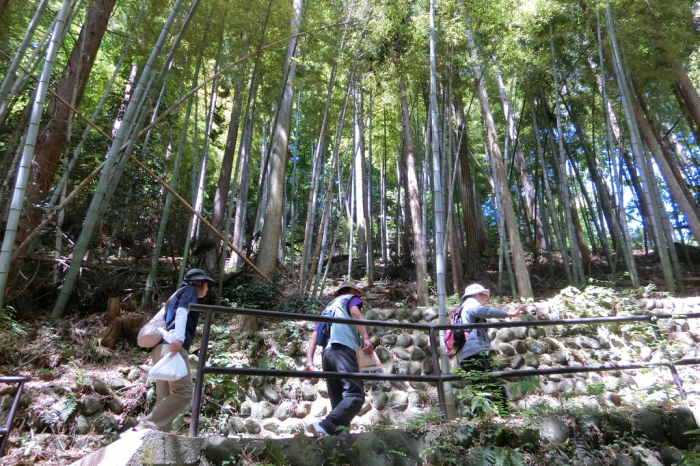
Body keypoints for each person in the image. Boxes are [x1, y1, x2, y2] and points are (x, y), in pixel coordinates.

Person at [134, 268, 215, 432]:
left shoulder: (177, 294)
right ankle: (146, 425)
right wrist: (179, 338)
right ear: (200, 283)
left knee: (164, 397)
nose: (207, 289)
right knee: (184, 391)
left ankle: (156, 436)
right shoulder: (190, 290)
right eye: (206, 285)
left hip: (160, 348)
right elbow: (182, 312)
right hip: (172, 347)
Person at [304, 281, 373, 437]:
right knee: (355, 395)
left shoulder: (328, 308)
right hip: (342, 349)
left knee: (338, 400)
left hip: (327, 355)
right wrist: (366, 338)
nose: (360, 297)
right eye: (359, 294)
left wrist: (309, 362)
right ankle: (326, 425)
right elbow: (355, 313)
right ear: (352, 291)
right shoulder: (351, 299)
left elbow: (313, 337)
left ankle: (340, 437)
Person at [457, 284, 525, 416]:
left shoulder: (461, 309)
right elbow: (485, 311)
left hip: (465, 354)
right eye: (485, 296)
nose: (485, 300)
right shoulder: (471, 303)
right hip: (476, 352)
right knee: (493, 387)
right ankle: (503, 416)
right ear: (477, 294)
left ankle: (477, 420)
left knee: (480, 388)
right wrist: (509, 314)